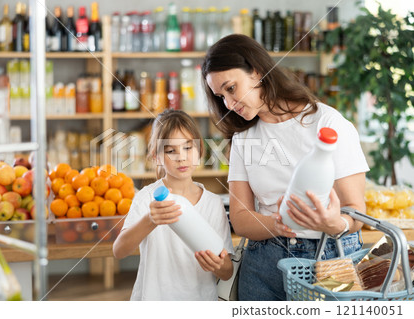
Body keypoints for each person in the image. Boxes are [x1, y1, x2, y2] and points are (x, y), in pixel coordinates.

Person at [201, 34, 369, 301]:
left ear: (256, 72)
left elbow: (357, 211)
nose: (229, 105)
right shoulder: (243, 138)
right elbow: (241, 218)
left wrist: (336, 223)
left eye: (231, 88)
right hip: (263, 266)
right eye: (220, 96)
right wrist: (277, 225)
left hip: (331, 259)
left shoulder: (327, 123)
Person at [112, 109, 234, 300]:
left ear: (200, 149)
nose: (181, 157)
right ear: (156, 156)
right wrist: (150, 220)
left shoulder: (213, 203)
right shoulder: (147, 198)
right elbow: (119, 250)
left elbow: (227, 271)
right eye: (170, 151)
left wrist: (218, 266)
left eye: (188, 147)